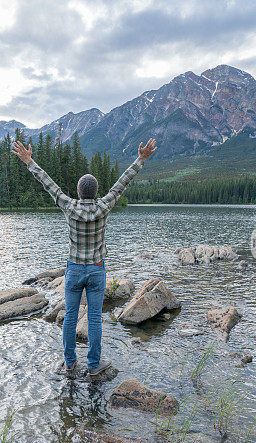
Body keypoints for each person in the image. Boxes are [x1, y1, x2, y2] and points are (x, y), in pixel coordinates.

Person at [11, 138, 157, 378]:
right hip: (97, 270)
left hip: (75, 269)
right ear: (96, 191)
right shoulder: (104, 206)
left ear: (79, 192)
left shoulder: (69, 206)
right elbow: (122, 184)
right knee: (94, 319)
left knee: (70, 317)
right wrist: (141, 159)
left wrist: (29, 161)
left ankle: (70, 364)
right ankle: (93, 364)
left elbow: (49, 184)